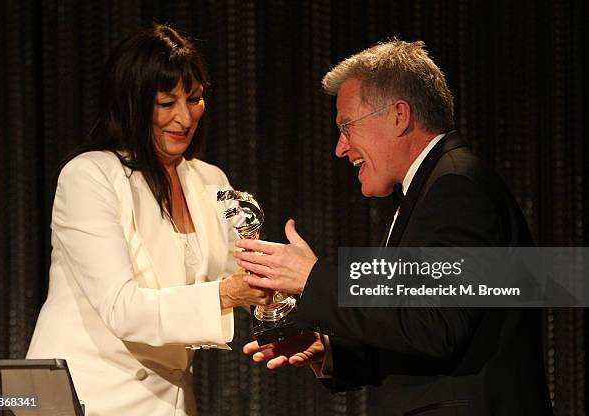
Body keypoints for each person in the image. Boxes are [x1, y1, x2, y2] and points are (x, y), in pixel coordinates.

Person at [235, 39, 553, 415]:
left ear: (399, 116)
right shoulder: (433, 187)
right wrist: (331, 351)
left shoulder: (456, 187)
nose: (341, 147)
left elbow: (435, 325)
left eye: (347, 126)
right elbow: (419, 325)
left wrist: (312, 278)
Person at [26, 25, 270, 416]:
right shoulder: (89, 176)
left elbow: (240, 264)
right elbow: (124, 309)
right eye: (166, 102)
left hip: (168, 402)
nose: (184, 118)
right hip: (85, 396)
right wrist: (229, 294)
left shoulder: (215, 183)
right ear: (132, 103)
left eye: (194, 99)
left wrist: (279, 298)